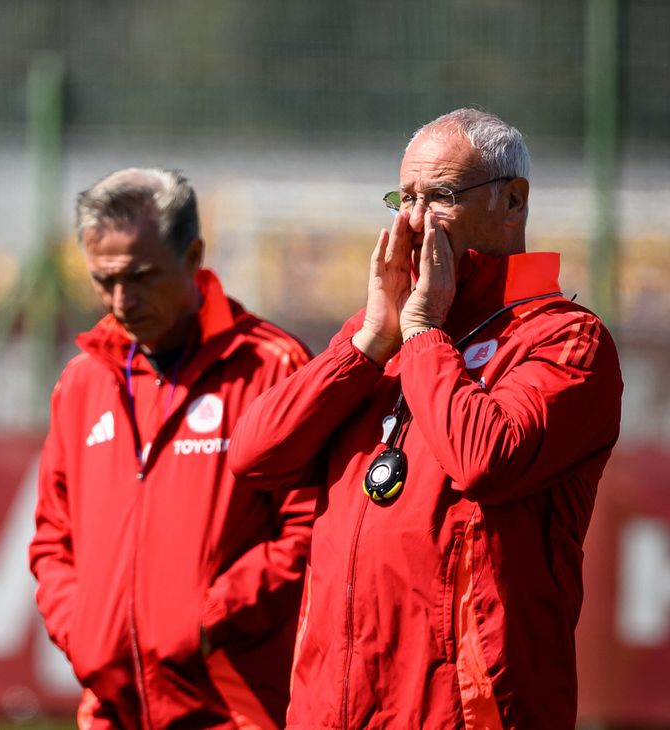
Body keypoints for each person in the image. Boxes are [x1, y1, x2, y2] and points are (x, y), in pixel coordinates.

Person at [228, 108, 623, 728]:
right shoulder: (378, 338)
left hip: (463, 713)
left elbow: (483, 461)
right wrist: (365, 347)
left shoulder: (566, 340)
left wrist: (422, 336)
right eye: (403, 197)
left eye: (438, 196)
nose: (412, 220)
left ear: (513, 202)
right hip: (331, 709)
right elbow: (253, 455)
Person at [29, 168, 317, 729]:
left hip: (235, 708)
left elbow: (310, 528)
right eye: (103, 280)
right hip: (109, 712)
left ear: (193, 257)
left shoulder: (273, 366)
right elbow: (51, 539)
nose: (121, 300)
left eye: (140, 276)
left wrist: (209, 617)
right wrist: (85, 630)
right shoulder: (81, 381)